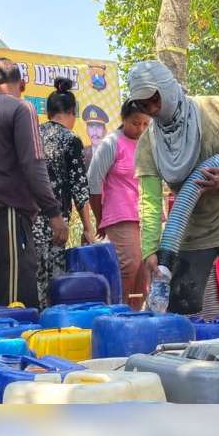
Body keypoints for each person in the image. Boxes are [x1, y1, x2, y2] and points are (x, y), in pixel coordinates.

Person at [130, 60, 219, 322]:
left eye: (156, 100)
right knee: (181, 307)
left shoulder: (215, 109)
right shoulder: (148, 144)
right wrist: (151, 251)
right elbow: (150, 201)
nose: (154, 109)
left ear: (167, 89)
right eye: (144, 106)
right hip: (191, 231)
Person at [0, 58, 68, 309]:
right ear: (23, 84)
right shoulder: (22, 108)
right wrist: (54, 213)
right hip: (6, 209)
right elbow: (33, 163)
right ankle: (10, 348)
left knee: (9, 288)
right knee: (16, 298)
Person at [32, 78, 95, 309]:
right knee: (54, 282)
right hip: (56, 222)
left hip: (28, 221)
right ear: (71, 112)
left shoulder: (32, 135)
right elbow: (80, 187)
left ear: (48, 112)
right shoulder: (71, 139)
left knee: (34, 281)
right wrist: (88, 228)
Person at [87, 100, 151, 309]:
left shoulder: (149, 143)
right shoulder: (111, 143)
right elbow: (94, 181)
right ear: (123, 119)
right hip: (120, 216)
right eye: (135, 123)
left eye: (145, 124)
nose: (140, 128)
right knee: (129, 266)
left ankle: (135, 315)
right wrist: (100, 218)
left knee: (145, 269)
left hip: (148, 215)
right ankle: (118, 311)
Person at [81, 103, 109, 168]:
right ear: (87, 131)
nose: (95, 131)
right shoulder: (82, 153)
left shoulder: (111, 153)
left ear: (104, 130)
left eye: (99, 127)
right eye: (91, 126)